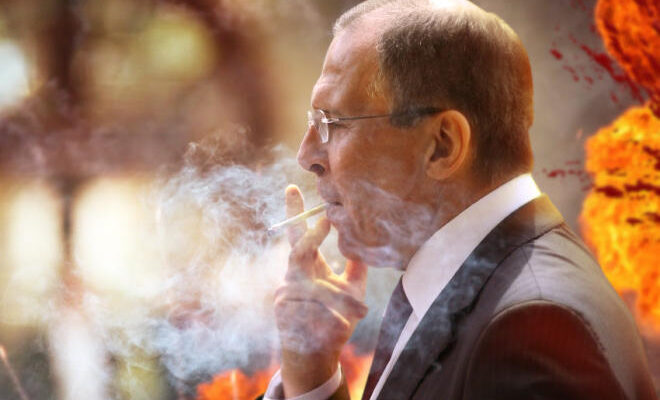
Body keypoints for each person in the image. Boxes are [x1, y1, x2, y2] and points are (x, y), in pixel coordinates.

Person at [263, 0, 657, 399]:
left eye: (332, 122)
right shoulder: (480, 286)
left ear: (442, 145)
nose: (307, 155)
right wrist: (310, 375)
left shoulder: (528, 332)